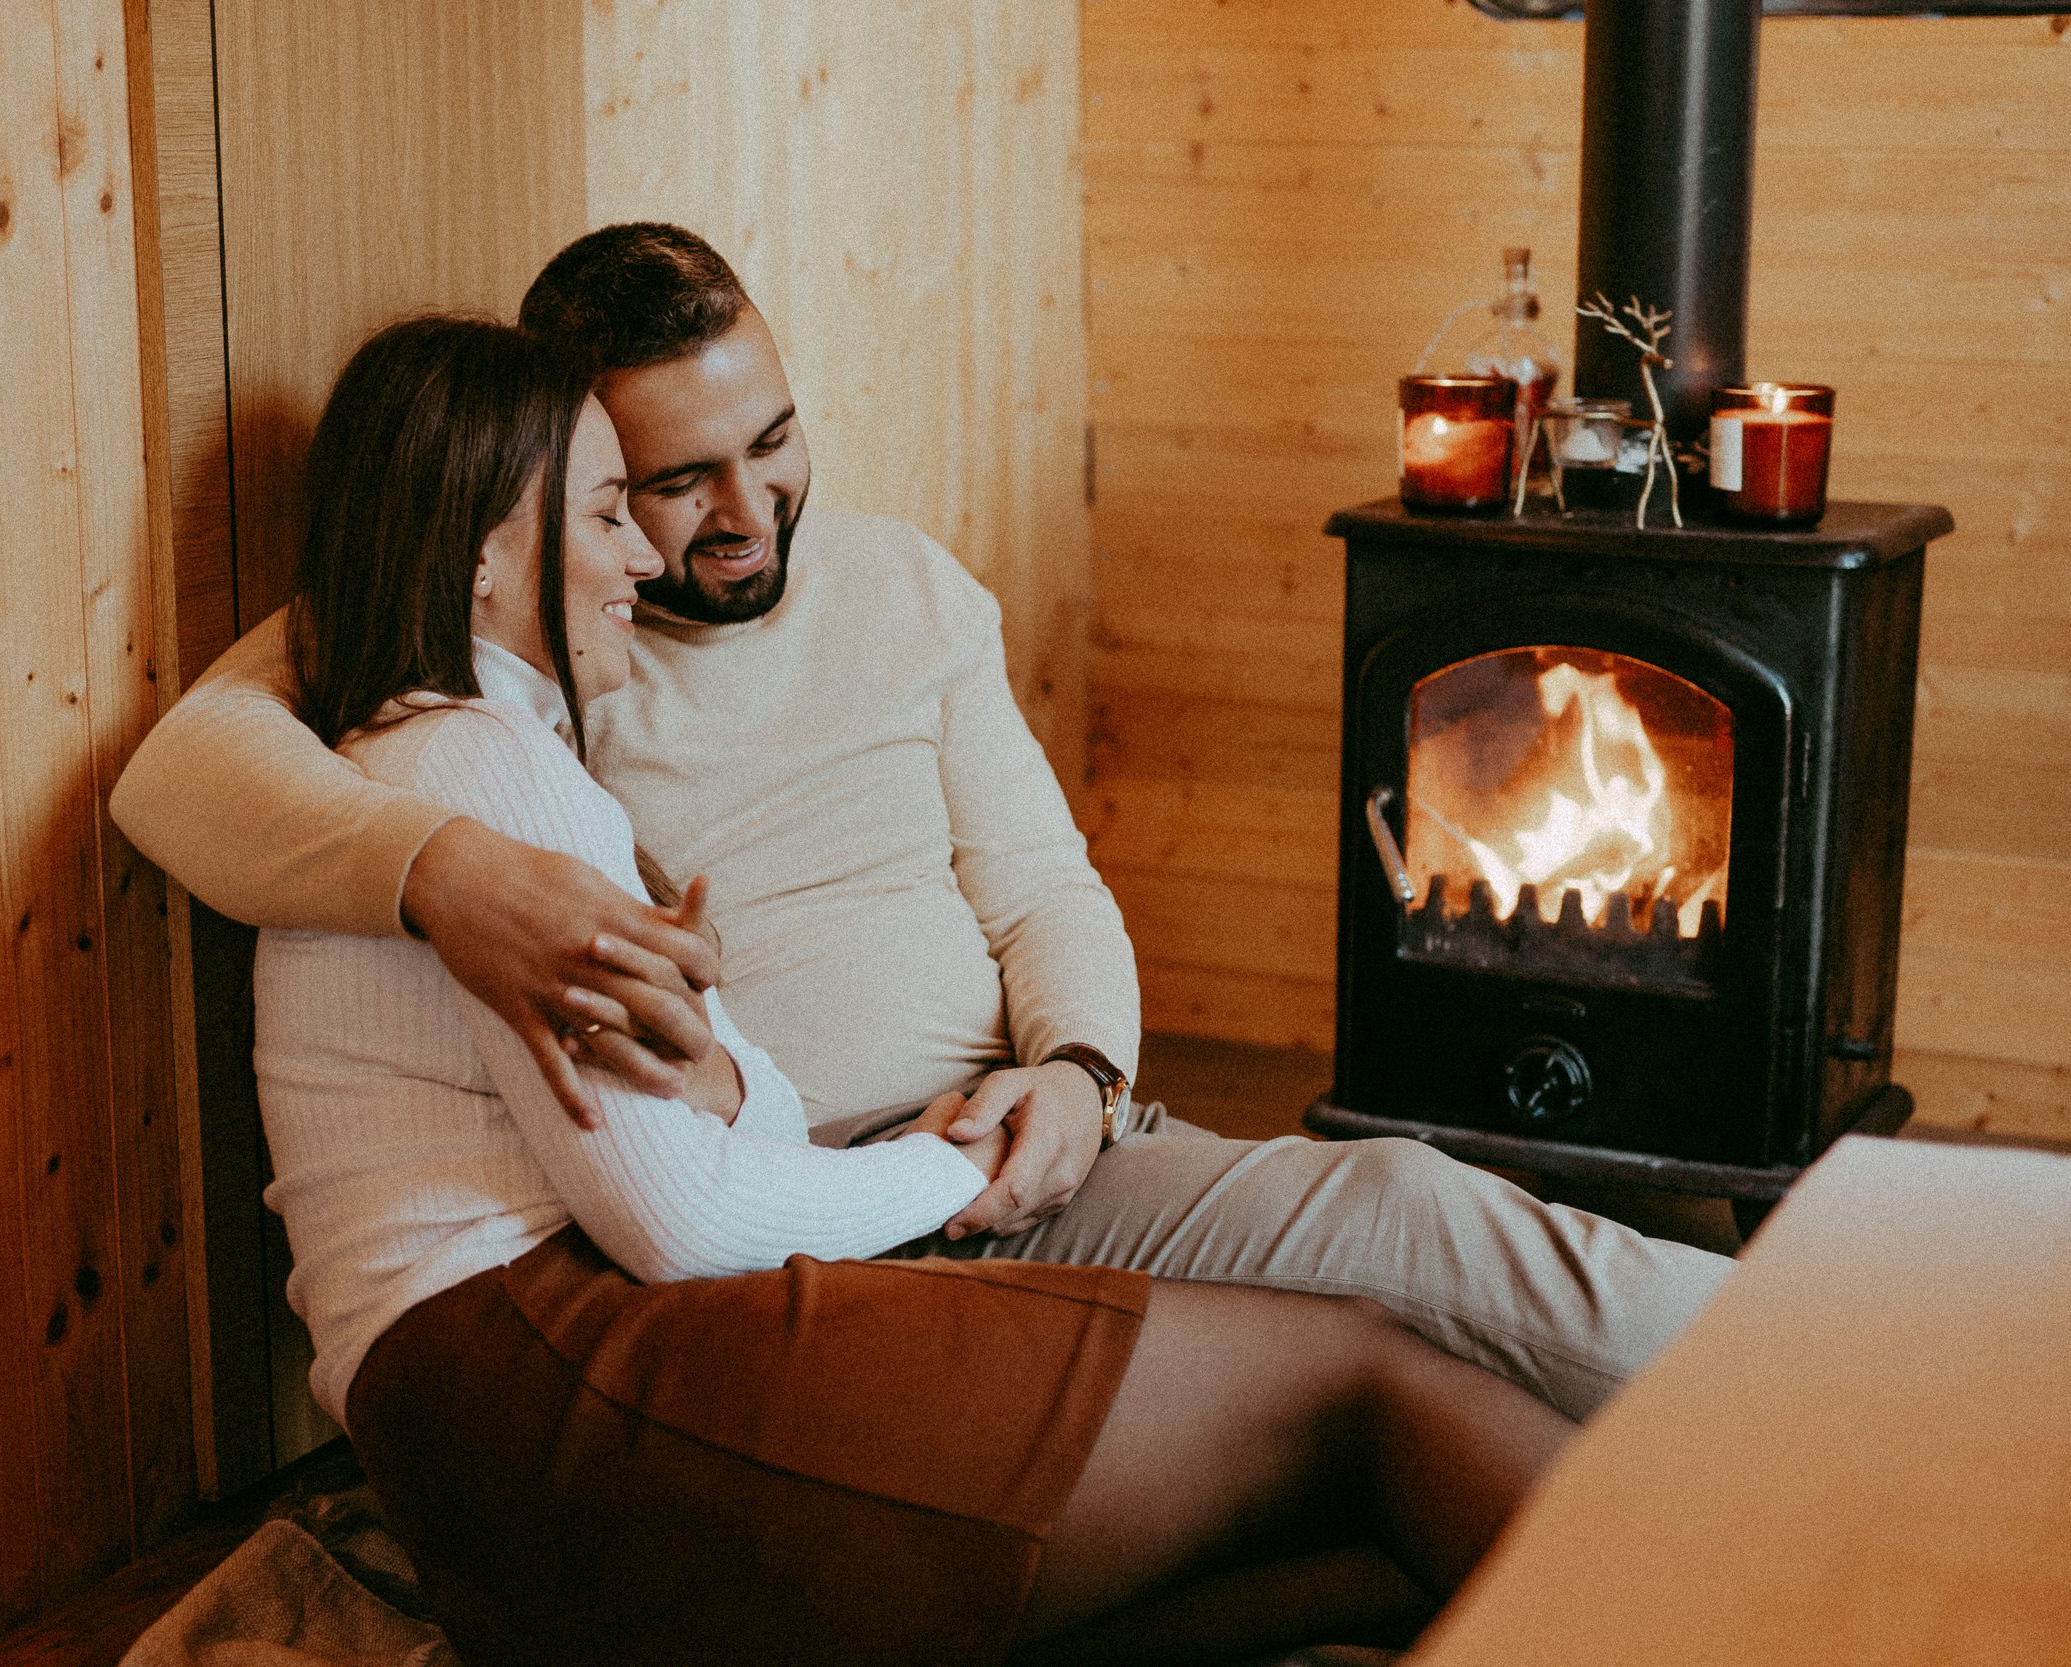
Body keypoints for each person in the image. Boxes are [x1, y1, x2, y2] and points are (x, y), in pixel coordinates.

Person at [110, 224, 1734, 1424]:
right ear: (567, 480)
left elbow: (1040, 887)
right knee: (1389, 1361)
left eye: (774, 443)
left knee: (1419, 1216)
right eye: (670, 486)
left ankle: (1853, 1361)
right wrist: (450, 874)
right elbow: (181, 769)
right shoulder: (526, 632)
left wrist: (1081, 1082)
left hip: (1031, 1142)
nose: (747, 517)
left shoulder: (903, 588)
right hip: (804, 1226)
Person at [255, 313, 1570, 1666]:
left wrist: (741, 1075)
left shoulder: (443, 764)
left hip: (516, 1438)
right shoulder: (483, 774)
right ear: (483, 559)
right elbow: (680, 1218)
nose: (644, 559)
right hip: (553, 1398)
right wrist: (962, 1172)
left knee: (1350, 1564)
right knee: (1364, 1384)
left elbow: (710, 1146)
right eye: (609, 513)